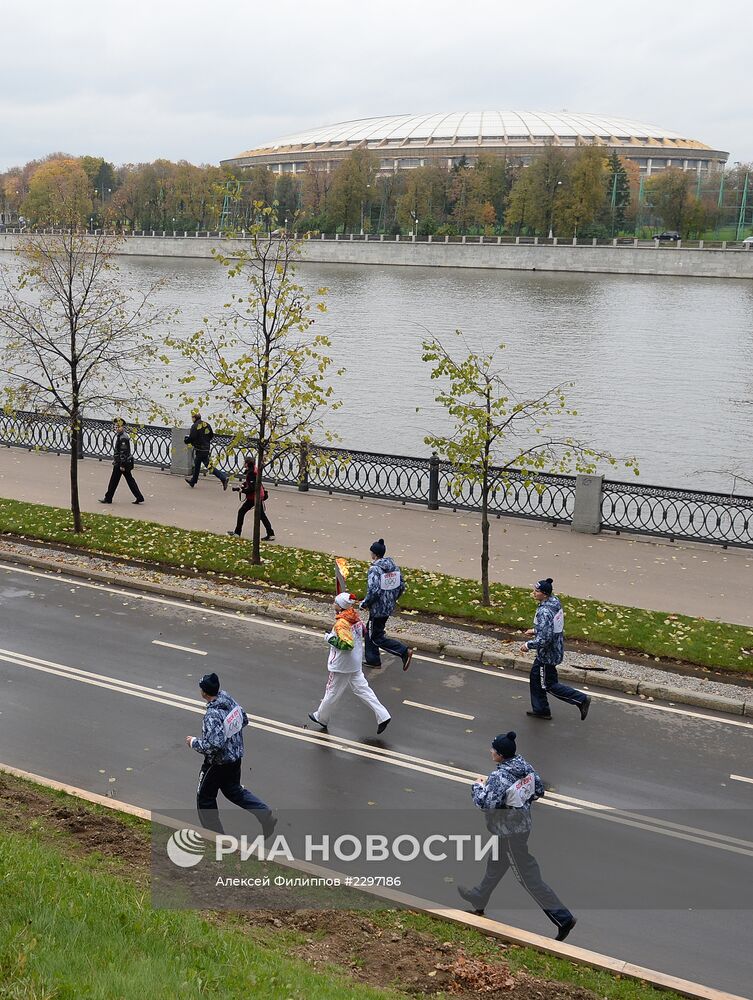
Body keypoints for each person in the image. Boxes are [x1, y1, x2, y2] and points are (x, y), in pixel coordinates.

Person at [458, 731, 577, 941]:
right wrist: (519, 803)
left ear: (501, 755)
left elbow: (487, 805)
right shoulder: (524, 765)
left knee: (527, 877)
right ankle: (479, 897)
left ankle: (563, 918)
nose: (491, 751)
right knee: (496, 862)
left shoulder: (499, 777)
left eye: (493, 749)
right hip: (522, 826)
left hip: (510, 833)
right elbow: (539, 791)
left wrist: (477, 786)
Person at [185, 671, 275, 837]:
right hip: (235, 758)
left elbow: (214, 746)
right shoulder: (227, 698)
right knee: (233, 791)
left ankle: (216, 839)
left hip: (217, 764)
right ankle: (263, 813)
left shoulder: (212, 715)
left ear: (204, 692)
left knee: (205, 799)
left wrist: (193, 742)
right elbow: (244, 719)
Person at [308, 592, 392, 735]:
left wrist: (329, 638)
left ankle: (322, 717)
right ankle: (383, 715)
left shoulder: (341, 624)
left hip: (341, 665)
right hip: (355, 662)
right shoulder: (356, 618)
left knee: (332, 691)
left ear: (340, 607)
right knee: (363, 690)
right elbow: (364, 631)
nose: (333, 604)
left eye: (335, 602)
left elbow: (346, 645)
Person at [520, 578, 590, 722]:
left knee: (548, 685)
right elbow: (550, 628)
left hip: (547, 655)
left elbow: (545, 639)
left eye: (537, 591)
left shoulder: (544, 611)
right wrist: (535, 630)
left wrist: (528, 645)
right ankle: (540, 709)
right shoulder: (554, 602)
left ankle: (580, 699)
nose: (533, 593)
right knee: (535, 678)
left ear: (544, 594)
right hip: (554, 650)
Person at [360, 538, 413, 671]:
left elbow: (374, 590)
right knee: (370, 632)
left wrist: (365, 603)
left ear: (374, 554)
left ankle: (403, 651)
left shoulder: (375, 569)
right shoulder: (394, 567)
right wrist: (391, 600)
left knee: (376, 637)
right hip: (388, 607)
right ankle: (373, 660)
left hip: (377, 609)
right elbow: (401, 586)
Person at [227, 455, 274, 541]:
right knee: (261, 516)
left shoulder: (251, 473)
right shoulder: (254, 470)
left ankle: (237, 533)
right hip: (258, 496)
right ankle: (271, 534)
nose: (243, 464)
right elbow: (252, 483)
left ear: (247, 464)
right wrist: (244, 485)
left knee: (241, 512)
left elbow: (252, 488)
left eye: (244, 462)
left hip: (254, 498)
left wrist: (241, 490)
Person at [99, 417, 144, 505]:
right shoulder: (121, 436)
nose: (116, 428)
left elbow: (124, 452)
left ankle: (108, 498)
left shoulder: (123, 437)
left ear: (123, 427)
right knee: (126, 480)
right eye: (115, 426)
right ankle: (139, 497)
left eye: (118, 426)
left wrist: (122, 465)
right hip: (120, 462)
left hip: (121, 463)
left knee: (116, 481)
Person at [184, 410, 229, 490]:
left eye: (192, 417)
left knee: (208, 466)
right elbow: (211, 435)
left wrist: (186, 440)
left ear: (194, 418)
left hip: (200, 449)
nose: (192, 419)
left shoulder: (195, 426)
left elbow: (192, 437)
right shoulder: (206, 424)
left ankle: (223, 477)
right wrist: (206, 441)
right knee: (197, 464)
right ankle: (193, 481)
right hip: (206, 448)